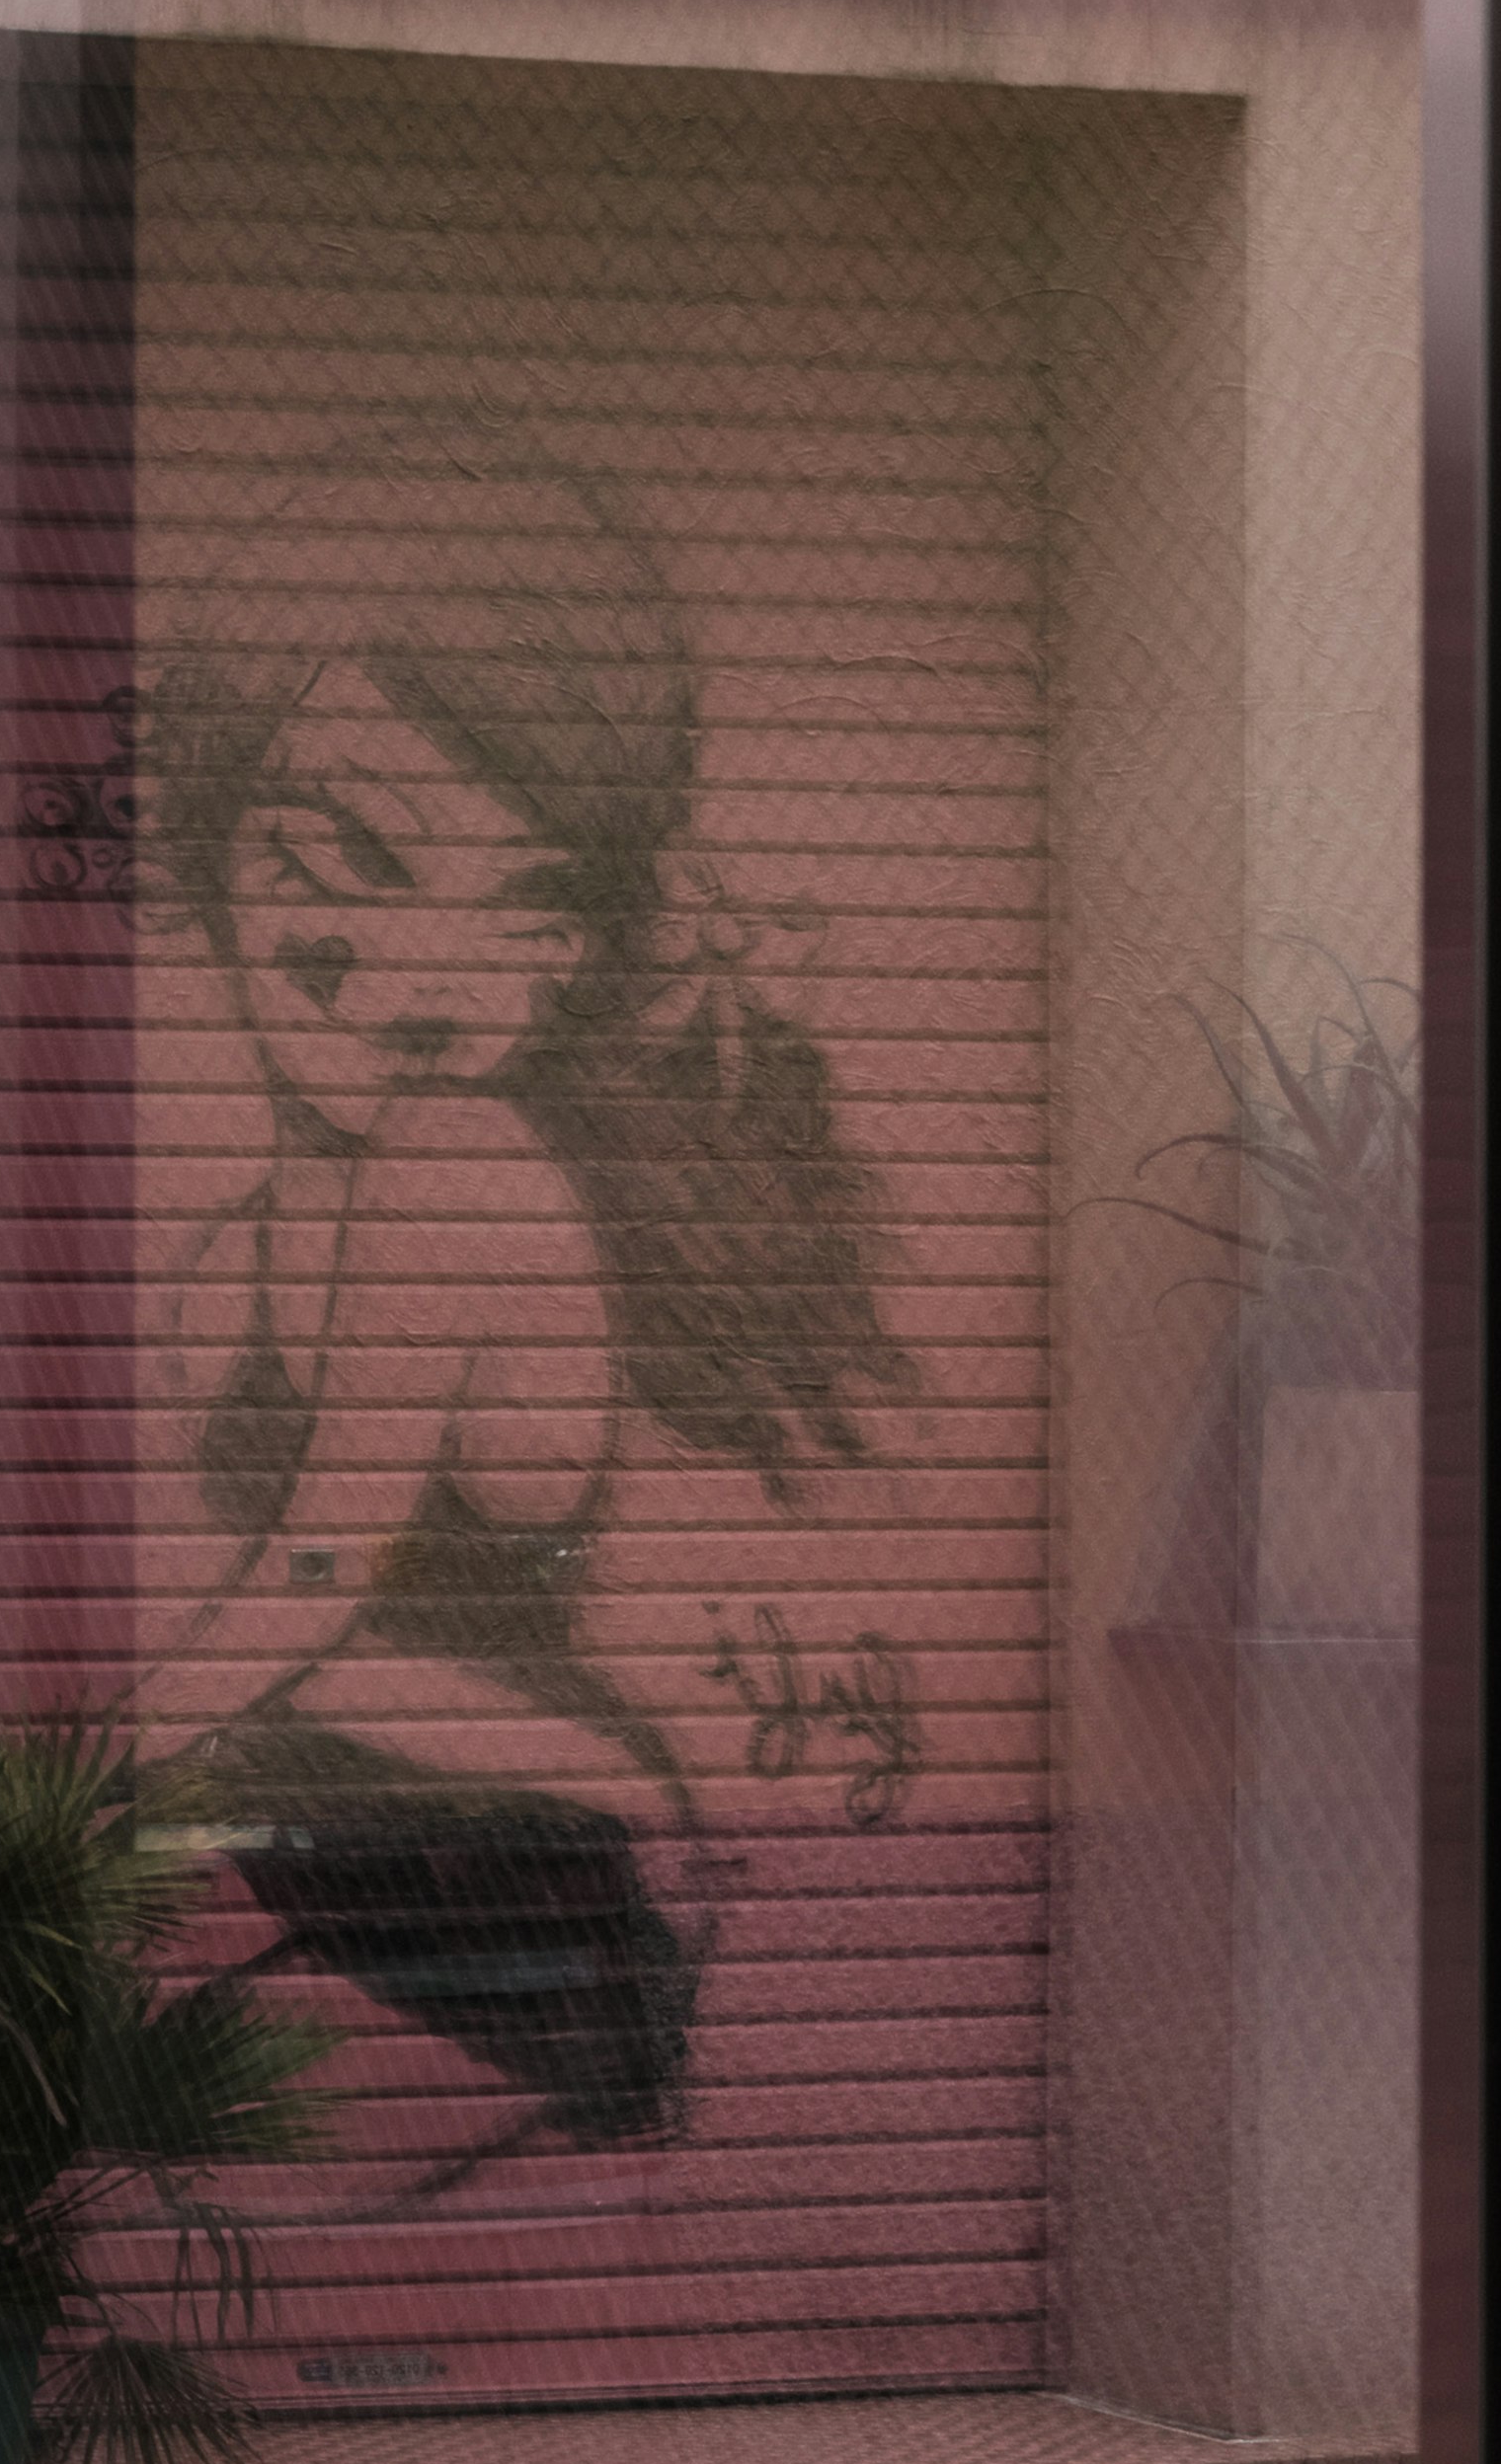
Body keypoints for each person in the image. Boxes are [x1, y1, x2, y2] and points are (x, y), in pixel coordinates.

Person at [86, 444, 907, 2193]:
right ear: (219, 833)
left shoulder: (461, 1170)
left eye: (535, 905)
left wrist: (80, 1775)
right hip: (333, 1870)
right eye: (350, 856)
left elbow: (320, 1578)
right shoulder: (220, 1260)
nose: (440, 971)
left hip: (502, 1915)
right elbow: (322, 1646)